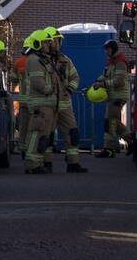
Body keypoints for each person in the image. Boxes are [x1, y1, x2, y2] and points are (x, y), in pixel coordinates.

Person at [43, 27, 88, 173]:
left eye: (58, 40)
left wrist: (69, 89)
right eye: (55, 40)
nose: (58, 43)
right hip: (48, 104)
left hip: (64, 104)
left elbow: (75, 77)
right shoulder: (41, 61)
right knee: (47, 135)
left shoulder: (65, 60)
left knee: (72, 132)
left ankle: (73, 163)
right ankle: (46, 163)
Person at [23, 30, 59, 174]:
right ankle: (32, 164)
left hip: (47, 104)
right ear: (37, 43)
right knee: (36, 133)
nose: (48, 45)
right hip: (41, 103)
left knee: (42, 135)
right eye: (45, 42)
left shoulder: (41, 59)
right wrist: (50, 89)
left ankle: (37, 162)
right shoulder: (34, 60)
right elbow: (38, 82)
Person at [93, 39, 130, 158]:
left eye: (107, 49)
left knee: (110, 123)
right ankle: (132, 142)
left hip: (118, 97)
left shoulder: (120, 62)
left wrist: (103, 84)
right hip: (113, 96)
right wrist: (97, 81)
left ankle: (109, 150)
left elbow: (119, 81)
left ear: (113, 49)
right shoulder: (112, 62)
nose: (106, 52)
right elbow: (104, 76)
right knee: (114, 123)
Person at [11, 38, 32, 156]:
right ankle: (33, 149)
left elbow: (13, 79)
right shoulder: (39, 62)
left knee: (23, 125)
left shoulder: (18, 62)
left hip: (23, 100)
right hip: (37, 99)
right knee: (35, 127)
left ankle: (22, 147)